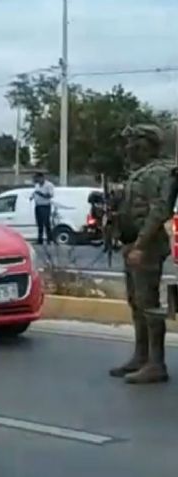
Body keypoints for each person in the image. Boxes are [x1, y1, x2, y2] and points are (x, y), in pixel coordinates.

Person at [110, 124, 177, 384]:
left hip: (147, 246)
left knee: (148, 304)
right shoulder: (139, 173)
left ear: (146, 144)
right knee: (136, 302)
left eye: (134, 142)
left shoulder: (161, 172)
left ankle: (156, 364)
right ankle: (141, 356)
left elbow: (160, 211)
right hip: (132, 243)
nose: (128, 148)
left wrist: (140, 245)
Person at [31, 172, 55, 245]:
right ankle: (40, 239)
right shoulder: (37, 185)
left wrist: (40, 194)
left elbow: (50, 195)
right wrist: (32, 196)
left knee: (46, 223)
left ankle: (49, 239)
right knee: (39, 223)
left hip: (45, 206)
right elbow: (35, 192)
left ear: (41, 178)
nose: (36, 180)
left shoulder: (49, 185)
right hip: (38, 206)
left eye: (37, 178)